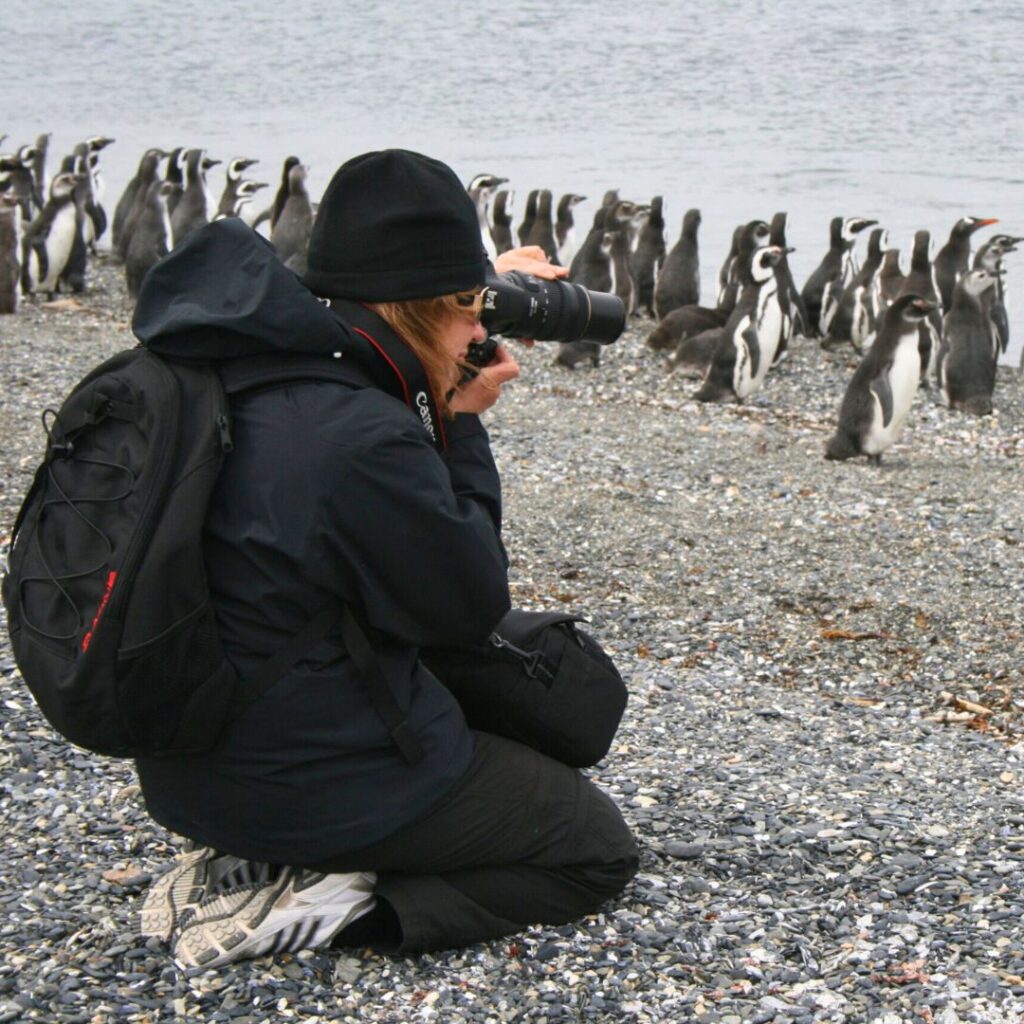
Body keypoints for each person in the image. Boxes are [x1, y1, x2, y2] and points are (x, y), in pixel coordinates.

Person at [131, 149, 638, 967]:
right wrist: (459, 423)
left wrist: (465, 293)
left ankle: (268, 850)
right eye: (472, 310)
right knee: (592, 845)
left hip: (185, 763)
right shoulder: (361, 436)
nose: (481, 332)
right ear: (427, 308)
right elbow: (466, 605)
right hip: (294, 779)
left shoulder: (241, 354)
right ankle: (338, 903)